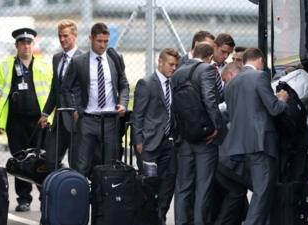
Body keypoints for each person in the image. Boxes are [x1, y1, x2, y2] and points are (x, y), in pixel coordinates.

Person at [222, 47, 289, 225]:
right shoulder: (260, 76)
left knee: (262, 192)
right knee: (262, 192)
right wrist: (282, 98)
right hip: (261, 143)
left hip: (241, 146)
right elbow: (274, 108)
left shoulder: (232, 83)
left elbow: (232, 113)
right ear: (260, 60)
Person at [0, 28, 52, 212]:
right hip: (15, 121)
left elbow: (52, 94)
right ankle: (24, 199)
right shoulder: (5, 66)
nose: (26, 46)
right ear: (16, 45)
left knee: (42, 159)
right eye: (22, 43)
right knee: (20, 159)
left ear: (33, 44)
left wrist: (48, 117)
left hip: (39, 121)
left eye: (29, 42)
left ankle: (46, 197)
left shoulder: (43, 65)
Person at [62, 22, 129, 177]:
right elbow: (66, 88)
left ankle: (106, 199)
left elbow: (124, 85)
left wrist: (123, 104)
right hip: (87, 120)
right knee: (82, 165)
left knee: (110, 165)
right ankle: (80, 199)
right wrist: (76, 109)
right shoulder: (79, 62)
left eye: (106, 41)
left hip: (110, 120)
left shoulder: (115, 59)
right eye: (99, 41)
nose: (103, 45)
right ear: (90, 38)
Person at [172, 42, 225, 225]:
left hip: (184, 137)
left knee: (183, 187)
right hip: (205, 139)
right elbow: (210, 101)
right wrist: (217, 127)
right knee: (203, 186)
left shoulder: (177, 72)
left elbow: (174, 108)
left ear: (193, 52)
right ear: (210, 57)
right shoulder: (207, 70)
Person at [133, 48, 180, 224]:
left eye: (176, 65)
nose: (173, 68)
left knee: (169, 183)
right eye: (170, 64)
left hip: (170, 143)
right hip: (150, 144)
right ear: (160, 62)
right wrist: (138, 142)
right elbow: (138, 115)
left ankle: (160, 216)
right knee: (149, 184)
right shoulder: (146, 84)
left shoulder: (174, 83)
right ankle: (150, 218)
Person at [39, 19, 84, 171]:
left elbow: (87, 90)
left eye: (65, 36)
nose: (62, 39)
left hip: (77, 120)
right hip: (59, 119)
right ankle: (56, 190)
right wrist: (45, 113)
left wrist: (81, 111)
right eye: (60, 36)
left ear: (75, 35)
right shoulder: (57, 58)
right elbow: (55, 89)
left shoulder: (83, 59)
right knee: (50, 160)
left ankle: (74, 191)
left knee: (76, 163)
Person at [213, 62, 250, 225]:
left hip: (226, 159)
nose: (226, 86)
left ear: (232, 75)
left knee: (237, 192)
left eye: (226, 81)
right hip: (230, 161)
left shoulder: (239, 92)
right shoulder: (242, 93)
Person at [212, 33, 235, 102]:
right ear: (215, 46)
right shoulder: (203, 66)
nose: (226, 56)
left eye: (228, 53)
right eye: (223, 51)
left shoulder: (229, 69)